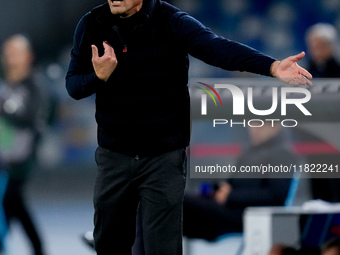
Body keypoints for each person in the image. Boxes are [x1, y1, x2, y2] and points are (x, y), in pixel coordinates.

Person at [65, 0, 312, 254]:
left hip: (163, 159)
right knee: (109, 244)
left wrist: (271, 67)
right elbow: (73, 86)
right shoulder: (91, 24)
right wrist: (98, 77)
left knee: (164, 249)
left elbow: (217, 48)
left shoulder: (172, 21)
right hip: (113, 156)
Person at [183, 123, 302, 240]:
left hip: (245, 215)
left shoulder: (282, 154)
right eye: (253, 123)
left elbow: (276, 196)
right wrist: (218, 189)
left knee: (180, 204)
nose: (255, 129)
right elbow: (232, 184)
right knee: (178, 208)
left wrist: (230, 196)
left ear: (275, 126)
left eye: (261, 125)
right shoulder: (249, 151)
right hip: (226, 208)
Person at [0, 34, 48, 255]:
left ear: (28, 56)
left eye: (16, 53)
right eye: (8, 53)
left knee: (9, 202)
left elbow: (28, 117)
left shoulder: (34, 86)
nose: (11, 58)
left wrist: (4, 106)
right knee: (13, 205)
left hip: (20, 160)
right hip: (3, 157)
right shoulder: (5, 82)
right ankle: (38, 248)